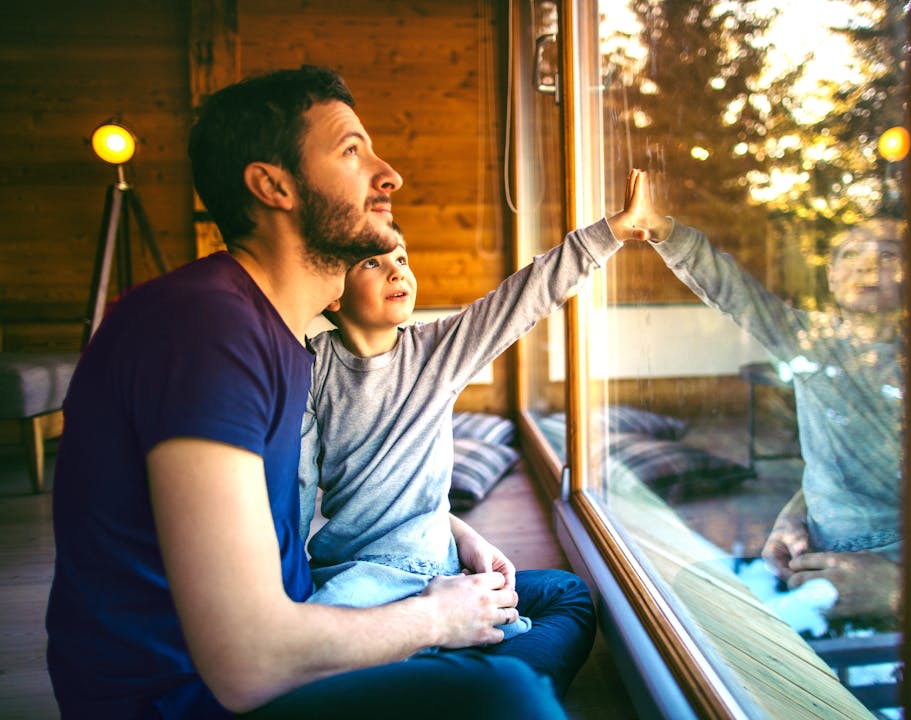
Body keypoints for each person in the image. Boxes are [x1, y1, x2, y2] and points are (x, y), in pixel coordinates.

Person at [45, 65, 572, 719]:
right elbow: (248, 664)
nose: (389, 176)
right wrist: (432, 618)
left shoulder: (278, 339)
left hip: (285, 621)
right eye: (352, 152)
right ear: (273, 186)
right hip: (190, 698)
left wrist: (450, 532)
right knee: (510, 696)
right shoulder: (206, 331)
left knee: (554, 593)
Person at [298, 169, 656, 696]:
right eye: (372, 262)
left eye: (401, 258)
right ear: (333, 292)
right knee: (309, 654)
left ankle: (456, 680)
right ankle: (467, 683)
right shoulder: (310, 371)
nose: (397, 270)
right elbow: (294, 493)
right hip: (360, 579)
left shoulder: (436, 351)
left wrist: (612, 231)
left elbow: (525, 297)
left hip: (437, 566)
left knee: (567, 592)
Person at [632, 174, 904, 622]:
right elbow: (731, 289)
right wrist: (663, 230)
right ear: (832, 276)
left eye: (888, 254)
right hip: (813, 553)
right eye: (850, 253)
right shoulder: (807, 338)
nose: (867, 264)